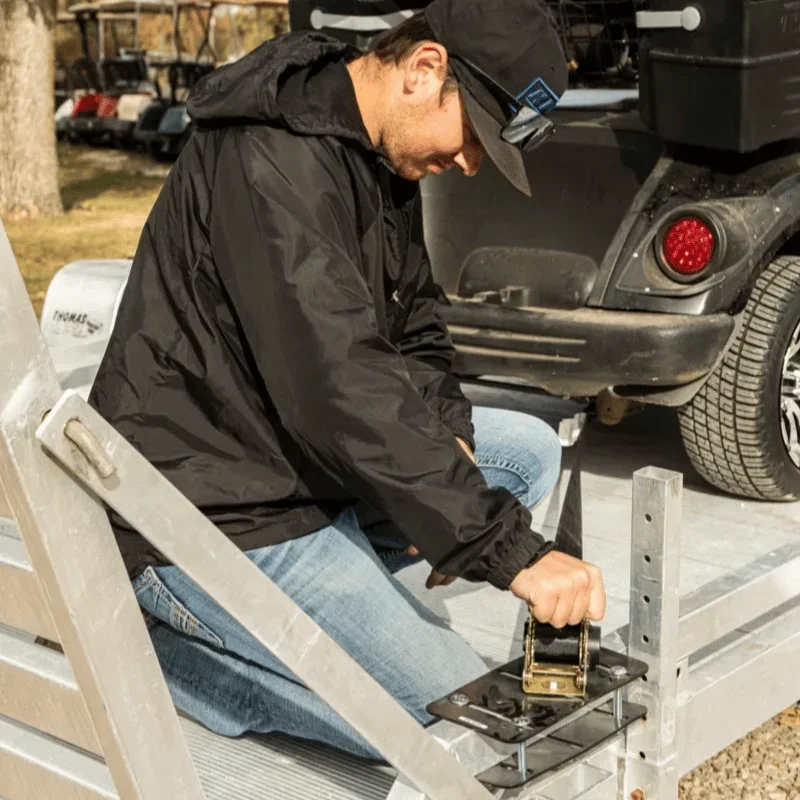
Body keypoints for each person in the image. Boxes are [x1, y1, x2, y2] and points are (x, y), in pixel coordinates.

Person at [89, 0, 606, 760]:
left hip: (289, 457)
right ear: (425, 70)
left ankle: (326, 602)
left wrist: (451, 436)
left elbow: (415, 325)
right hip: (206, 505)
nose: (470, 163)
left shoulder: (372, 146)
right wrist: (508, 550)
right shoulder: (273, 158)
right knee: (458, 725)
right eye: (476, 137)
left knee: (521, 451)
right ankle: (169, 650)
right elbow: (341, 384)